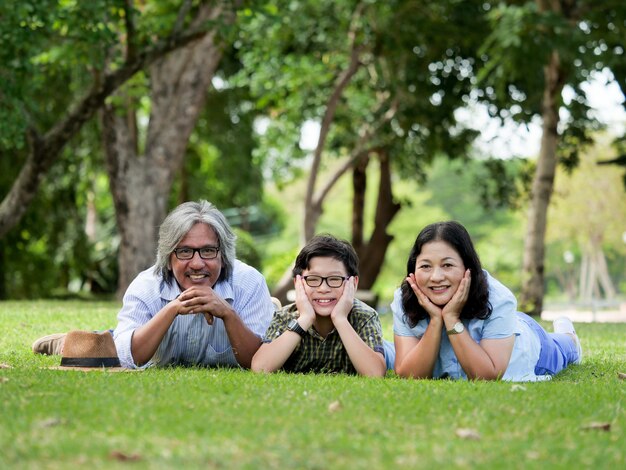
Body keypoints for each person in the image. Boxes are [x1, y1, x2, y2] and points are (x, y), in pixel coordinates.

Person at [33, 200, 275, 369]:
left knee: (273, 323)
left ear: (223, 255)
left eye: (208, 251)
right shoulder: (147, 286)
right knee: (107, 348)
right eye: (185, 252)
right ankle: (67, 342)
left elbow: (258, 361)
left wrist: (228, 314)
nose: (198, 263)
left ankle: (272, 307)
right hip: (133, 335)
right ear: (168, 259)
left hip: (250, 313)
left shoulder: (248, 283)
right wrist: (171, 309)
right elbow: (130, 359)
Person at [392, 221, 582, 382]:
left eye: (447, 265)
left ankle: (568, 336)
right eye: (425, 266)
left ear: (468, 268)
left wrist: (451, 318)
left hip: (530, 344)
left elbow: (487, 376)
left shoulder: (499, 298)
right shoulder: (405, 300)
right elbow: (409, 374)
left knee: (564, 349)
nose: (436, 276)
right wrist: (435, 321)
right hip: (505, 325)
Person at [251, 234, 388, 377]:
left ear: (353, 283)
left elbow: (375, 373)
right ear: (298, 283)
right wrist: (304, 319)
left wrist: (340, 319)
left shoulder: (364, 316)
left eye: (335, 279)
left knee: (388, 353)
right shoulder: (286, 316)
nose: (323, 289)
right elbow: (261, 367)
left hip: (375, 349)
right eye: (313, 279)